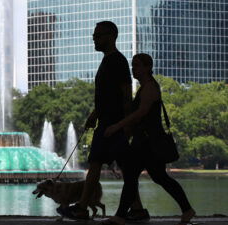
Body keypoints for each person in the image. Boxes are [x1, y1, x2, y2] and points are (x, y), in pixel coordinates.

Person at [59, 21, 148, 221]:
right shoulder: (107, 61)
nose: (94, 39)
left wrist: (126, 126)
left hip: (114, 124)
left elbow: (125, 95)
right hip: (106, 123)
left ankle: (83, 208)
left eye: (98, 36)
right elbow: (106, 97)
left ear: (111, 36)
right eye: (94, 36)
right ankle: (136, 209)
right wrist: (94, 114)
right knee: (101, 164)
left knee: (109, 166)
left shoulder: (117, 61)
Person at [102, 53, 196, 225]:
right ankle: (187, 210)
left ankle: (120, 216)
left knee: (131, 177)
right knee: (159, 177)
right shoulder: (145, 86)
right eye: (133, 65)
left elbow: (141, 113)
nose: (134, 69)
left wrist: (117, 126)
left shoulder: (150, 87)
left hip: (147, 142)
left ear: (148, 67)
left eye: (137, 65)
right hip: (146, 141)